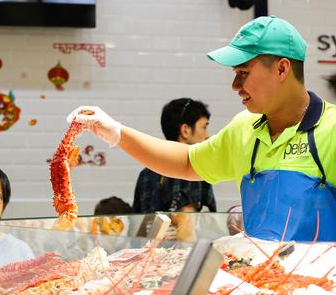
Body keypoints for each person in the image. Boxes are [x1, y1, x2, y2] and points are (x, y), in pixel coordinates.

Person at [68, 16, 336, 242]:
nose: (234, 85)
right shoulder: (243, 129)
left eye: (243, 72)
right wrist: (116, 132)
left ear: (281, 69)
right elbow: (186, 161)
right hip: (261, 288)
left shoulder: (331, 129)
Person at [132, 98, 217, 214]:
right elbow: (188, 221)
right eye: (204, 127)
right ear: (185, 130)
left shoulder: (145, 174)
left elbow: (137, 224)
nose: (208, 135)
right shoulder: (195, 167)